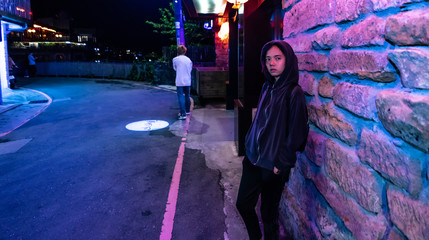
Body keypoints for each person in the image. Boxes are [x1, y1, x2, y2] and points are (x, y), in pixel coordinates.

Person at [236, 40, 308, 240]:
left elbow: (297, 132)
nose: (272, 63)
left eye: (277, 58)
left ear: (288, 60)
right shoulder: (267, 87)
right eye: (268, 59)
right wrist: (249, 142)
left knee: (268, 214)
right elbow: (260, 119)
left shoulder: (294, 93)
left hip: (272, 166)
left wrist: (281, 164)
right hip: (252, 159)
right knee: (242, 204)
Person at [172, 45, 193, 120]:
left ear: (178, 51)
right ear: (184, 51)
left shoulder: (175, 59)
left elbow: (175, 68)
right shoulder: (189, 60)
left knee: (181, 96)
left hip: (179, 80)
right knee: (187, 96)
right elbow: (190, 69)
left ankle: (183, 114)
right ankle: (187, 111)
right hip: (187, 80)